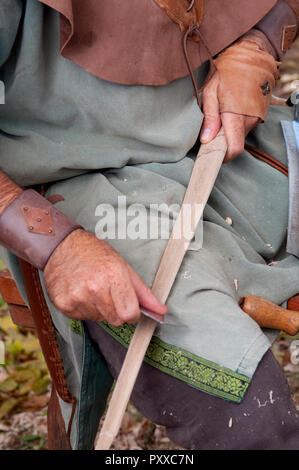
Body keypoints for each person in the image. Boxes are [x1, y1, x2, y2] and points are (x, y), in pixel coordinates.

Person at [0, 0, 299, 450]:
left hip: (230, 129)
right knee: (250, 417)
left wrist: (254, 48)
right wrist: (57, 245)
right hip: (79, 182)